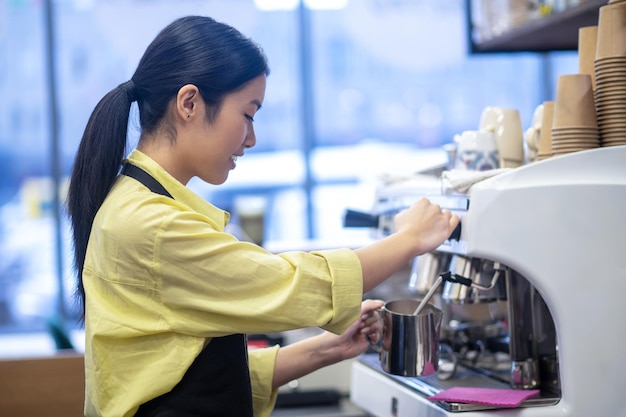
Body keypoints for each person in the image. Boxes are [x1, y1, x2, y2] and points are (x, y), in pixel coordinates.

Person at [66, 15, 459, 417]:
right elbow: (292, 284)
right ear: (189, 103)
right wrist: (409, 240)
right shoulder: (152, 225)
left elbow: (184, 377)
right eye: (249, 114)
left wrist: (329, 347)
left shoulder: (135, 205)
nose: (251, 138)